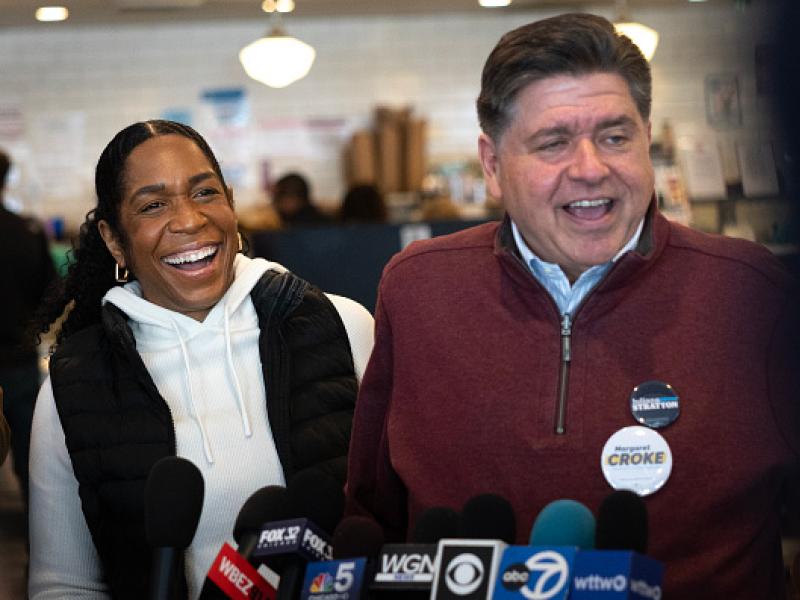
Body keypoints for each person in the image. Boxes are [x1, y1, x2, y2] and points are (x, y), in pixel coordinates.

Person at [345, 13, 799, 599]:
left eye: (615, 137)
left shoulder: (752, 291)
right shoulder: (417, 289)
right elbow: (373, 515)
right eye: (553, 142)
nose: (590, 168)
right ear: (492, 165)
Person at [28, 120, 374, 599]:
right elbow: (63, 584)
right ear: (113, 239)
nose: (189, 220)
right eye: (153, 205)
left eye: (205, 192)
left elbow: (398, 520)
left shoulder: (345, 327)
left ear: (230, 203)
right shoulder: (72, 390)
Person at [0, 148, 58, 507]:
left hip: (17, 358)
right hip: (19, 360)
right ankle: (37, 532)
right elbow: (51, 293)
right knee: (29, 453)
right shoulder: (27, 231)